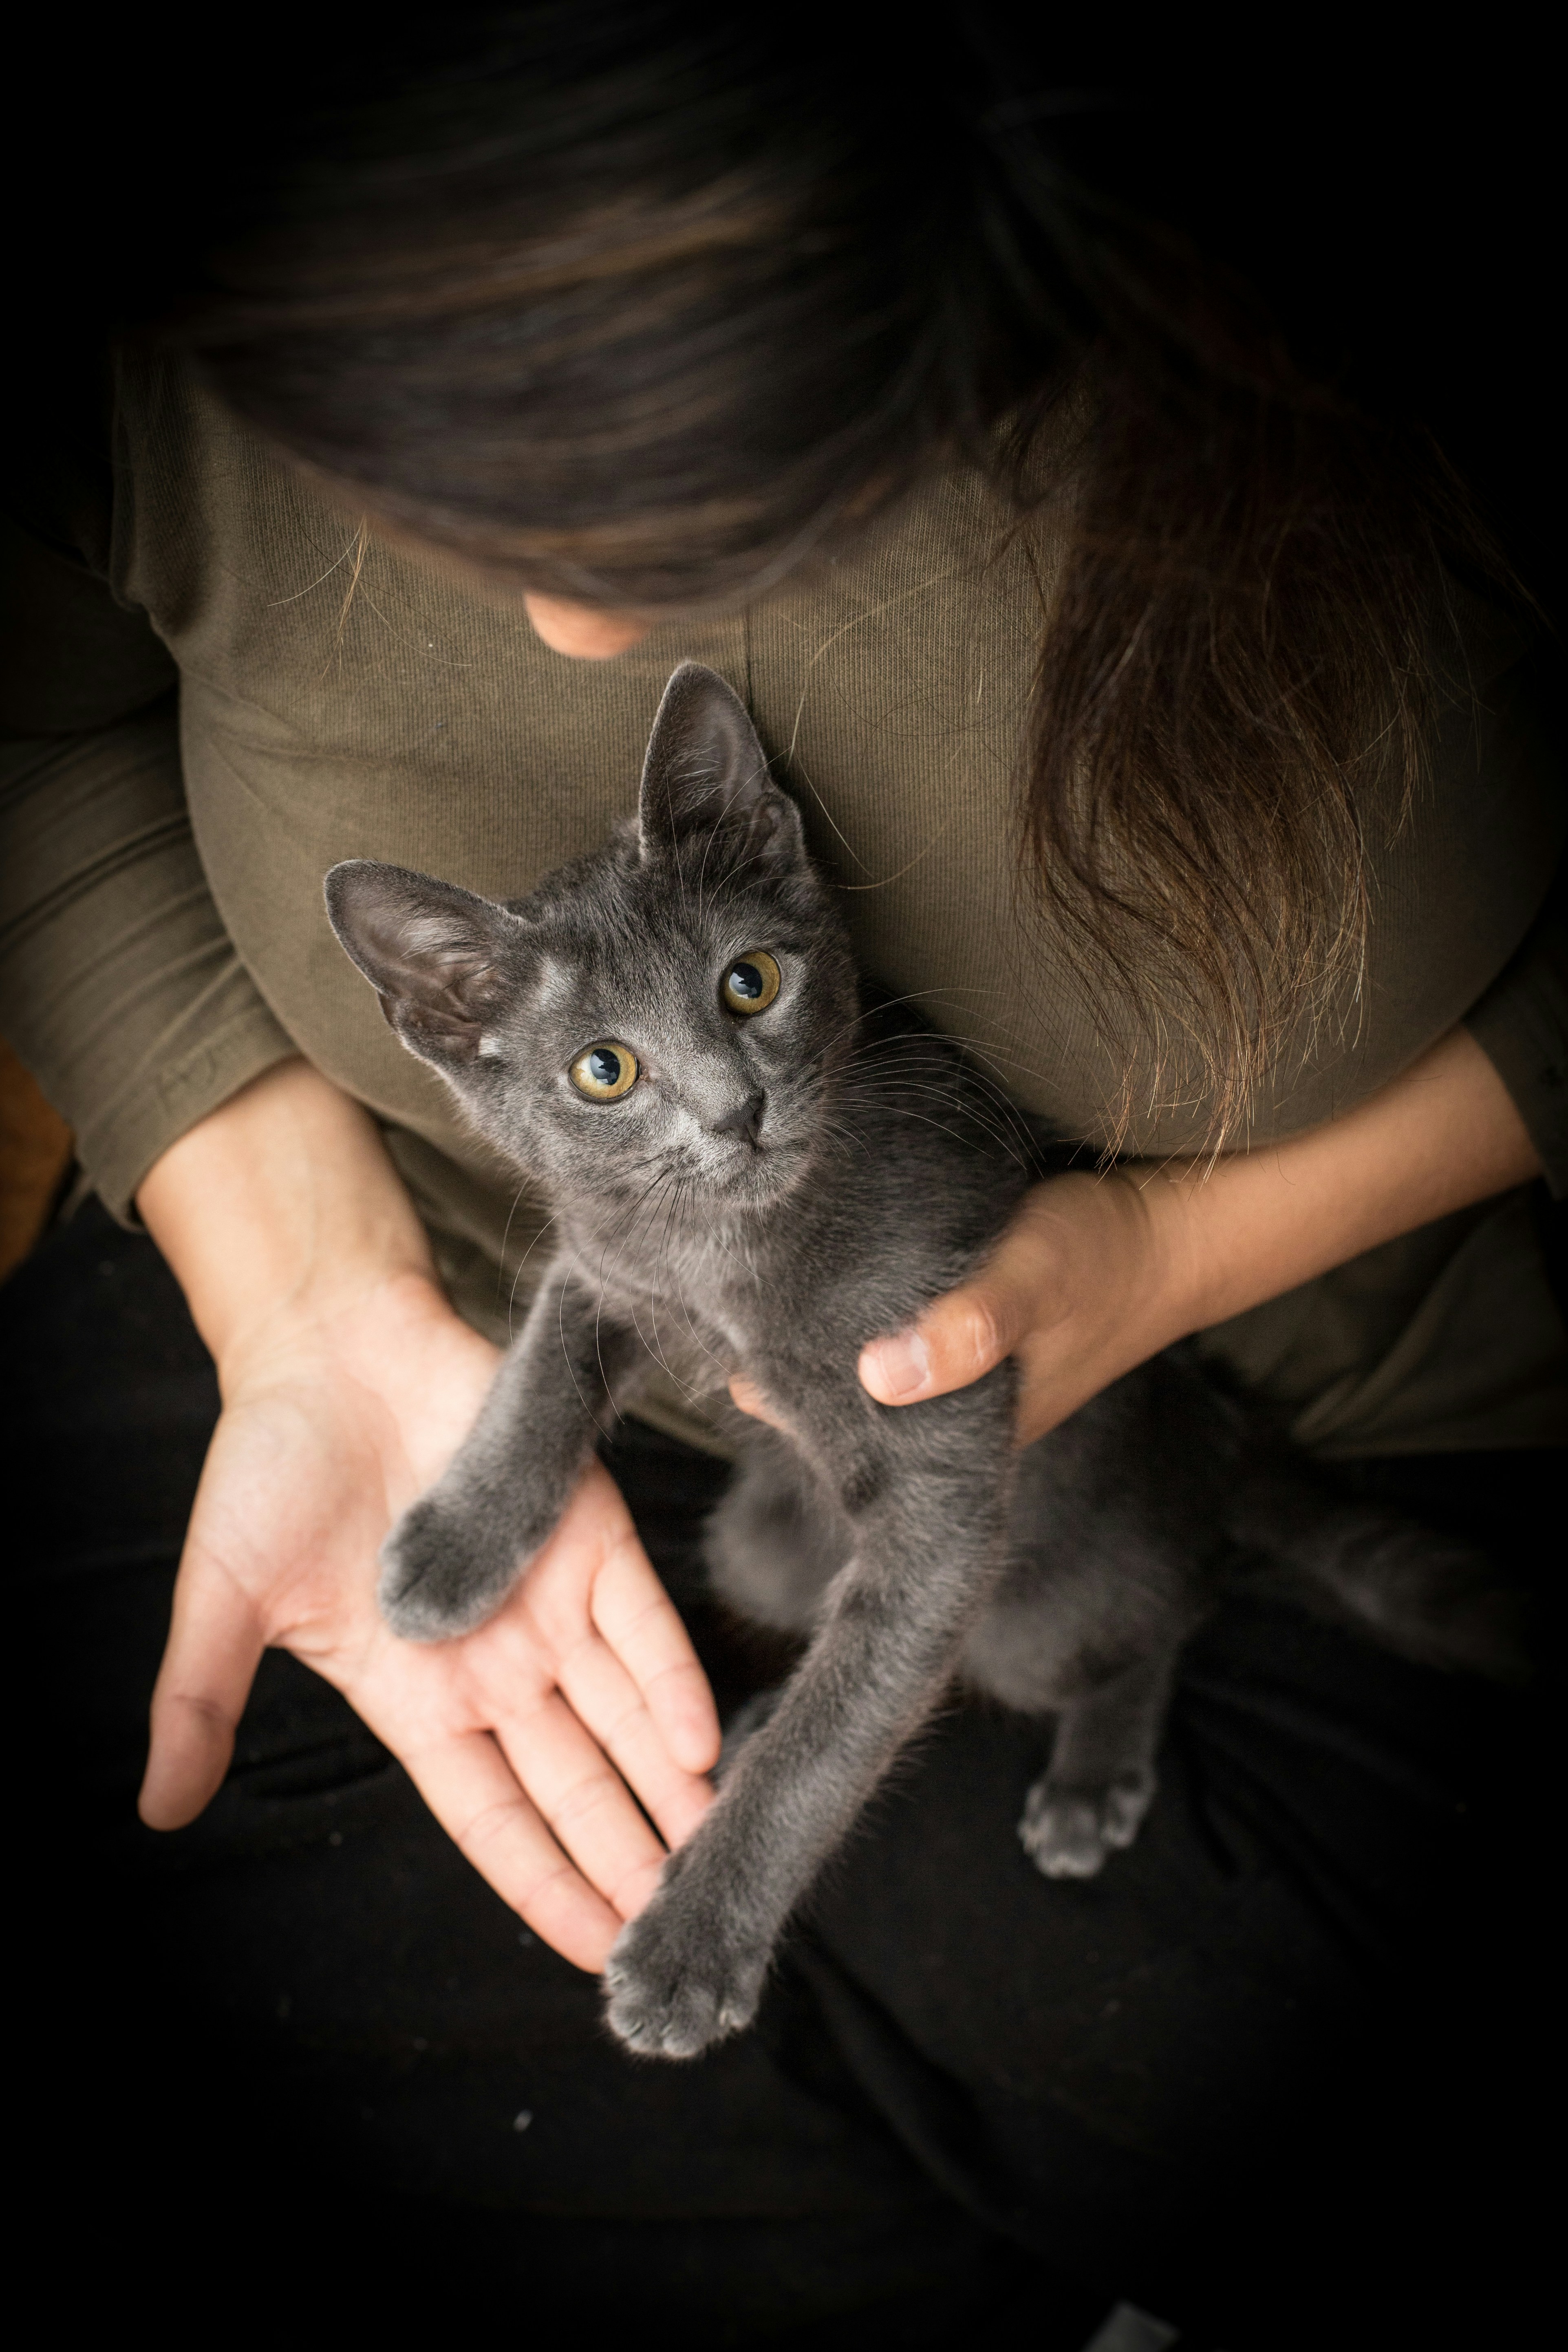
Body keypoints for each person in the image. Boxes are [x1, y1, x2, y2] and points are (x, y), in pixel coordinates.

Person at [2, 13, 1562, 2343]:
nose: (565, 622)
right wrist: (297, 1287)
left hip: (1233, 1408)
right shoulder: (179, 299)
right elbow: (37, 734)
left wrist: (1161, 1257)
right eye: (437, 481)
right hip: (383, 1311)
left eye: (663, 493)